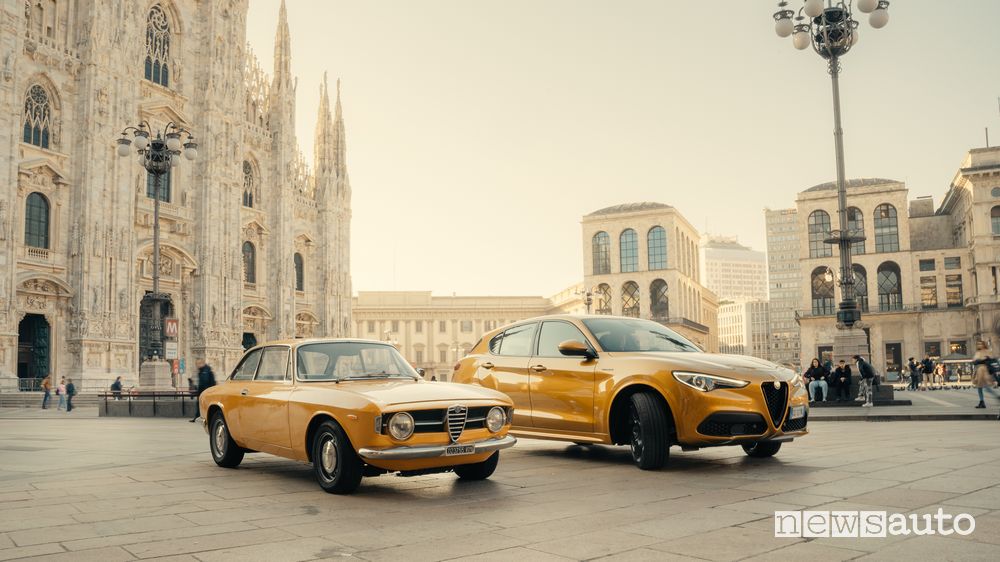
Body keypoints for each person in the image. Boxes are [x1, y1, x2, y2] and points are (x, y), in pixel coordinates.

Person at [971, 341, 999, 411]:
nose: (979, 345)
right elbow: (974, 361)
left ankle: (996, 396)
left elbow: (992, 360)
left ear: (984, 345)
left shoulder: (987, 351)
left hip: (985, 371)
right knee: (979, 387)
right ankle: (981, 401)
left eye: (980, 344)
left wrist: (982, 360)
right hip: (979, 370)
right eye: (978, 344)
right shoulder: (978, 352)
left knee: (985, 386)